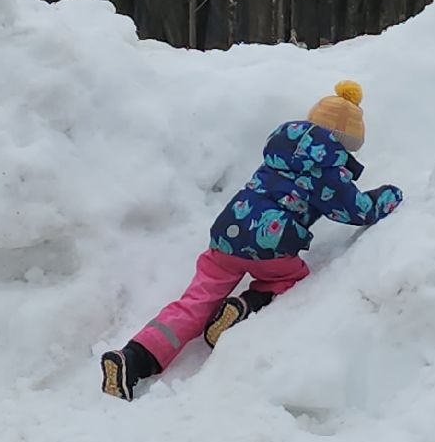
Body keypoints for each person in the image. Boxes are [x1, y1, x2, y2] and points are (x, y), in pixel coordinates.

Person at [101, 81, 404, 400]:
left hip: (227, 236)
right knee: (293, 276)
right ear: (349, 142)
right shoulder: (330, 171)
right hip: (271, 246)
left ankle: (133, 359)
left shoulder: (281, 150)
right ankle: (246, 305)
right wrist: (391, 196)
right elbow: (357, 211)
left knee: (194, 302)